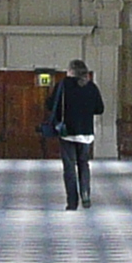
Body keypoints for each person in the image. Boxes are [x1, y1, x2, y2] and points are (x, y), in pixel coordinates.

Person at [44, 61, 105, 210]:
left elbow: (52, 105)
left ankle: (72, 202)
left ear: (71, 71)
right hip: (86, 132)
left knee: (69, 167)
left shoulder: (63, 85)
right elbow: (99, 109)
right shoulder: (91, 87)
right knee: (84, 164)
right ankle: (86, 195)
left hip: (67, 132)